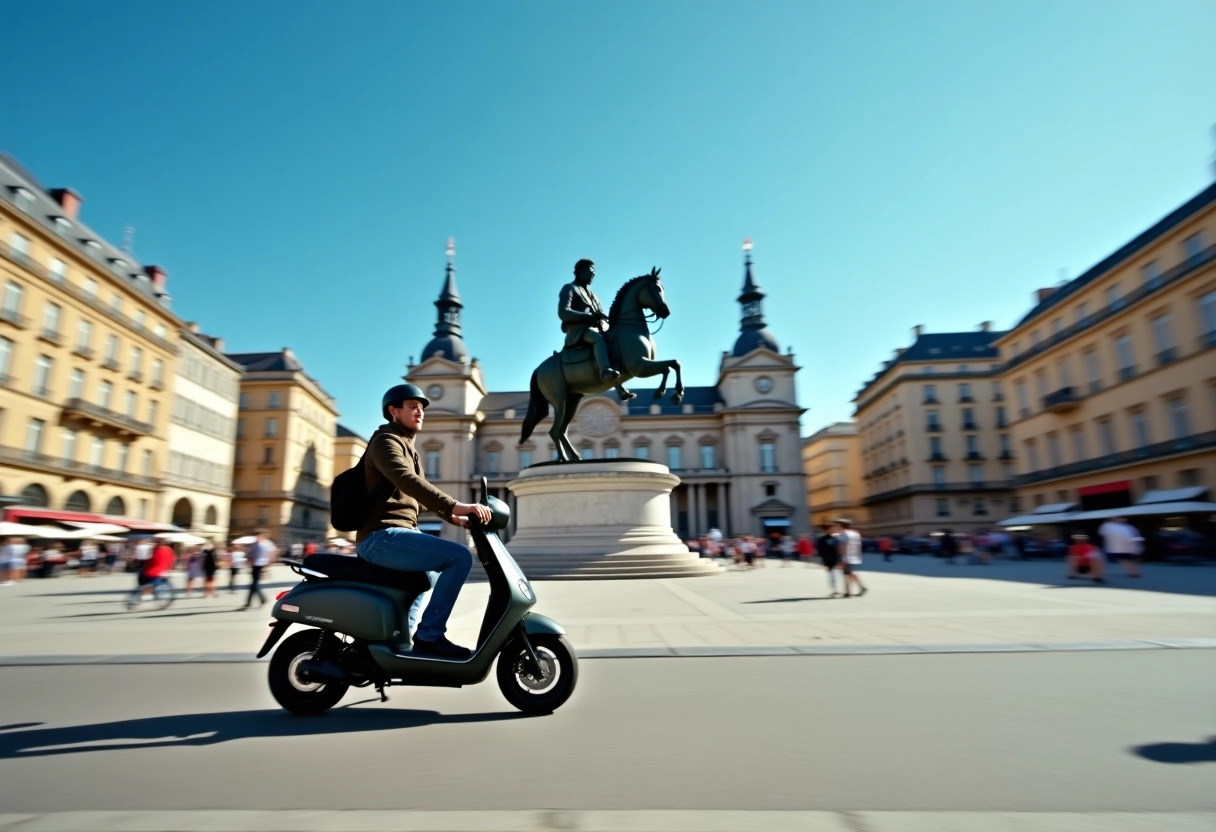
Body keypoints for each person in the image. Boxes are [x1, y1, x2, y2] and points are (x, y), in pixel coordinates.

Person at [354, 383, 492, 659]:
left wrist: (451, 517)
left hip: (396, 533)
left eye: (421, 408)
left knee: (426, 577)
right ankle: (429, 635)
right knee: (459, 558)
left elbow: (416, 495)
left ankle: (402, 642)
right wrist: (458, 505)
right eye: (413, 407)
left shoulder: (408, 447)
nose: (420, 412)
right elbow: (408, 481)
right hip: (380, 537)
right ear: (393, 411)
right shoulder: (385, 441)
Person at [558, 259, 634, 400]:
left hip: (595, 327)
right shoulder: (569, 288)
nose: (593, 275)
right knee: (598, 339)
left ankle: (619, 385)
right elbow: (563, 312)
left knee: (614, 341)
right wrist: (587, 316)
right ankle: (605, 371)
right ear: (580, 271)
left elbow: (598, 313)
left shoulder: (593, 295)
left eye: (594, 273)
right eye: (590, 272)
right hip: (578, 331)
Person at [243, 531, 276, 609]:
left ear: (262, 535)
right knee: (254, 583)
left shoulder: (267, 543)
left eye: (258, 535)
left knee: (254, 583)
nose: (256, 537)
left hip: (260, 564)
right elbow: (249, 554)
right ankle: (251, 602)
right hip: (255, 564)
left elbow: (271, 553)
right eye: (255, 536)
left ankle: (261, 600)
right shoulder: (254, 544)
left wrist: (270, 561)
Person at [837, 519, 867, 598]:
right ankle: (856, 589)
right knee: (848, 573)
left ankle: (849, 591)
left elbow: (842, 546)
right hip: (855, 556)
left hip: (846, 556)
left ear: (841, 526)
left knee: (846, 574)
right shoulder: (855, 533)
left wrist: (840, 557)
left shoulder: (843, 534)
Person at [815, 524, 841, 597]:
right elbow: (820, 551)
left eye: (833, 529)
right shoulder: (821, 539)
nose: (832, 530)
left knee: (839, 575)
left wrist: (840, 559)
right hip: (827, 559)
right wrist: (822, 562)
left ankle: (840, 589)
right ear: (826, 530)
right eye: (830, 529)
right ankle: (834, 590)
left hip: (836, 559)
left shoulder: (837, 538)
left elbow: (839, 549)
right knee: (831, 575)